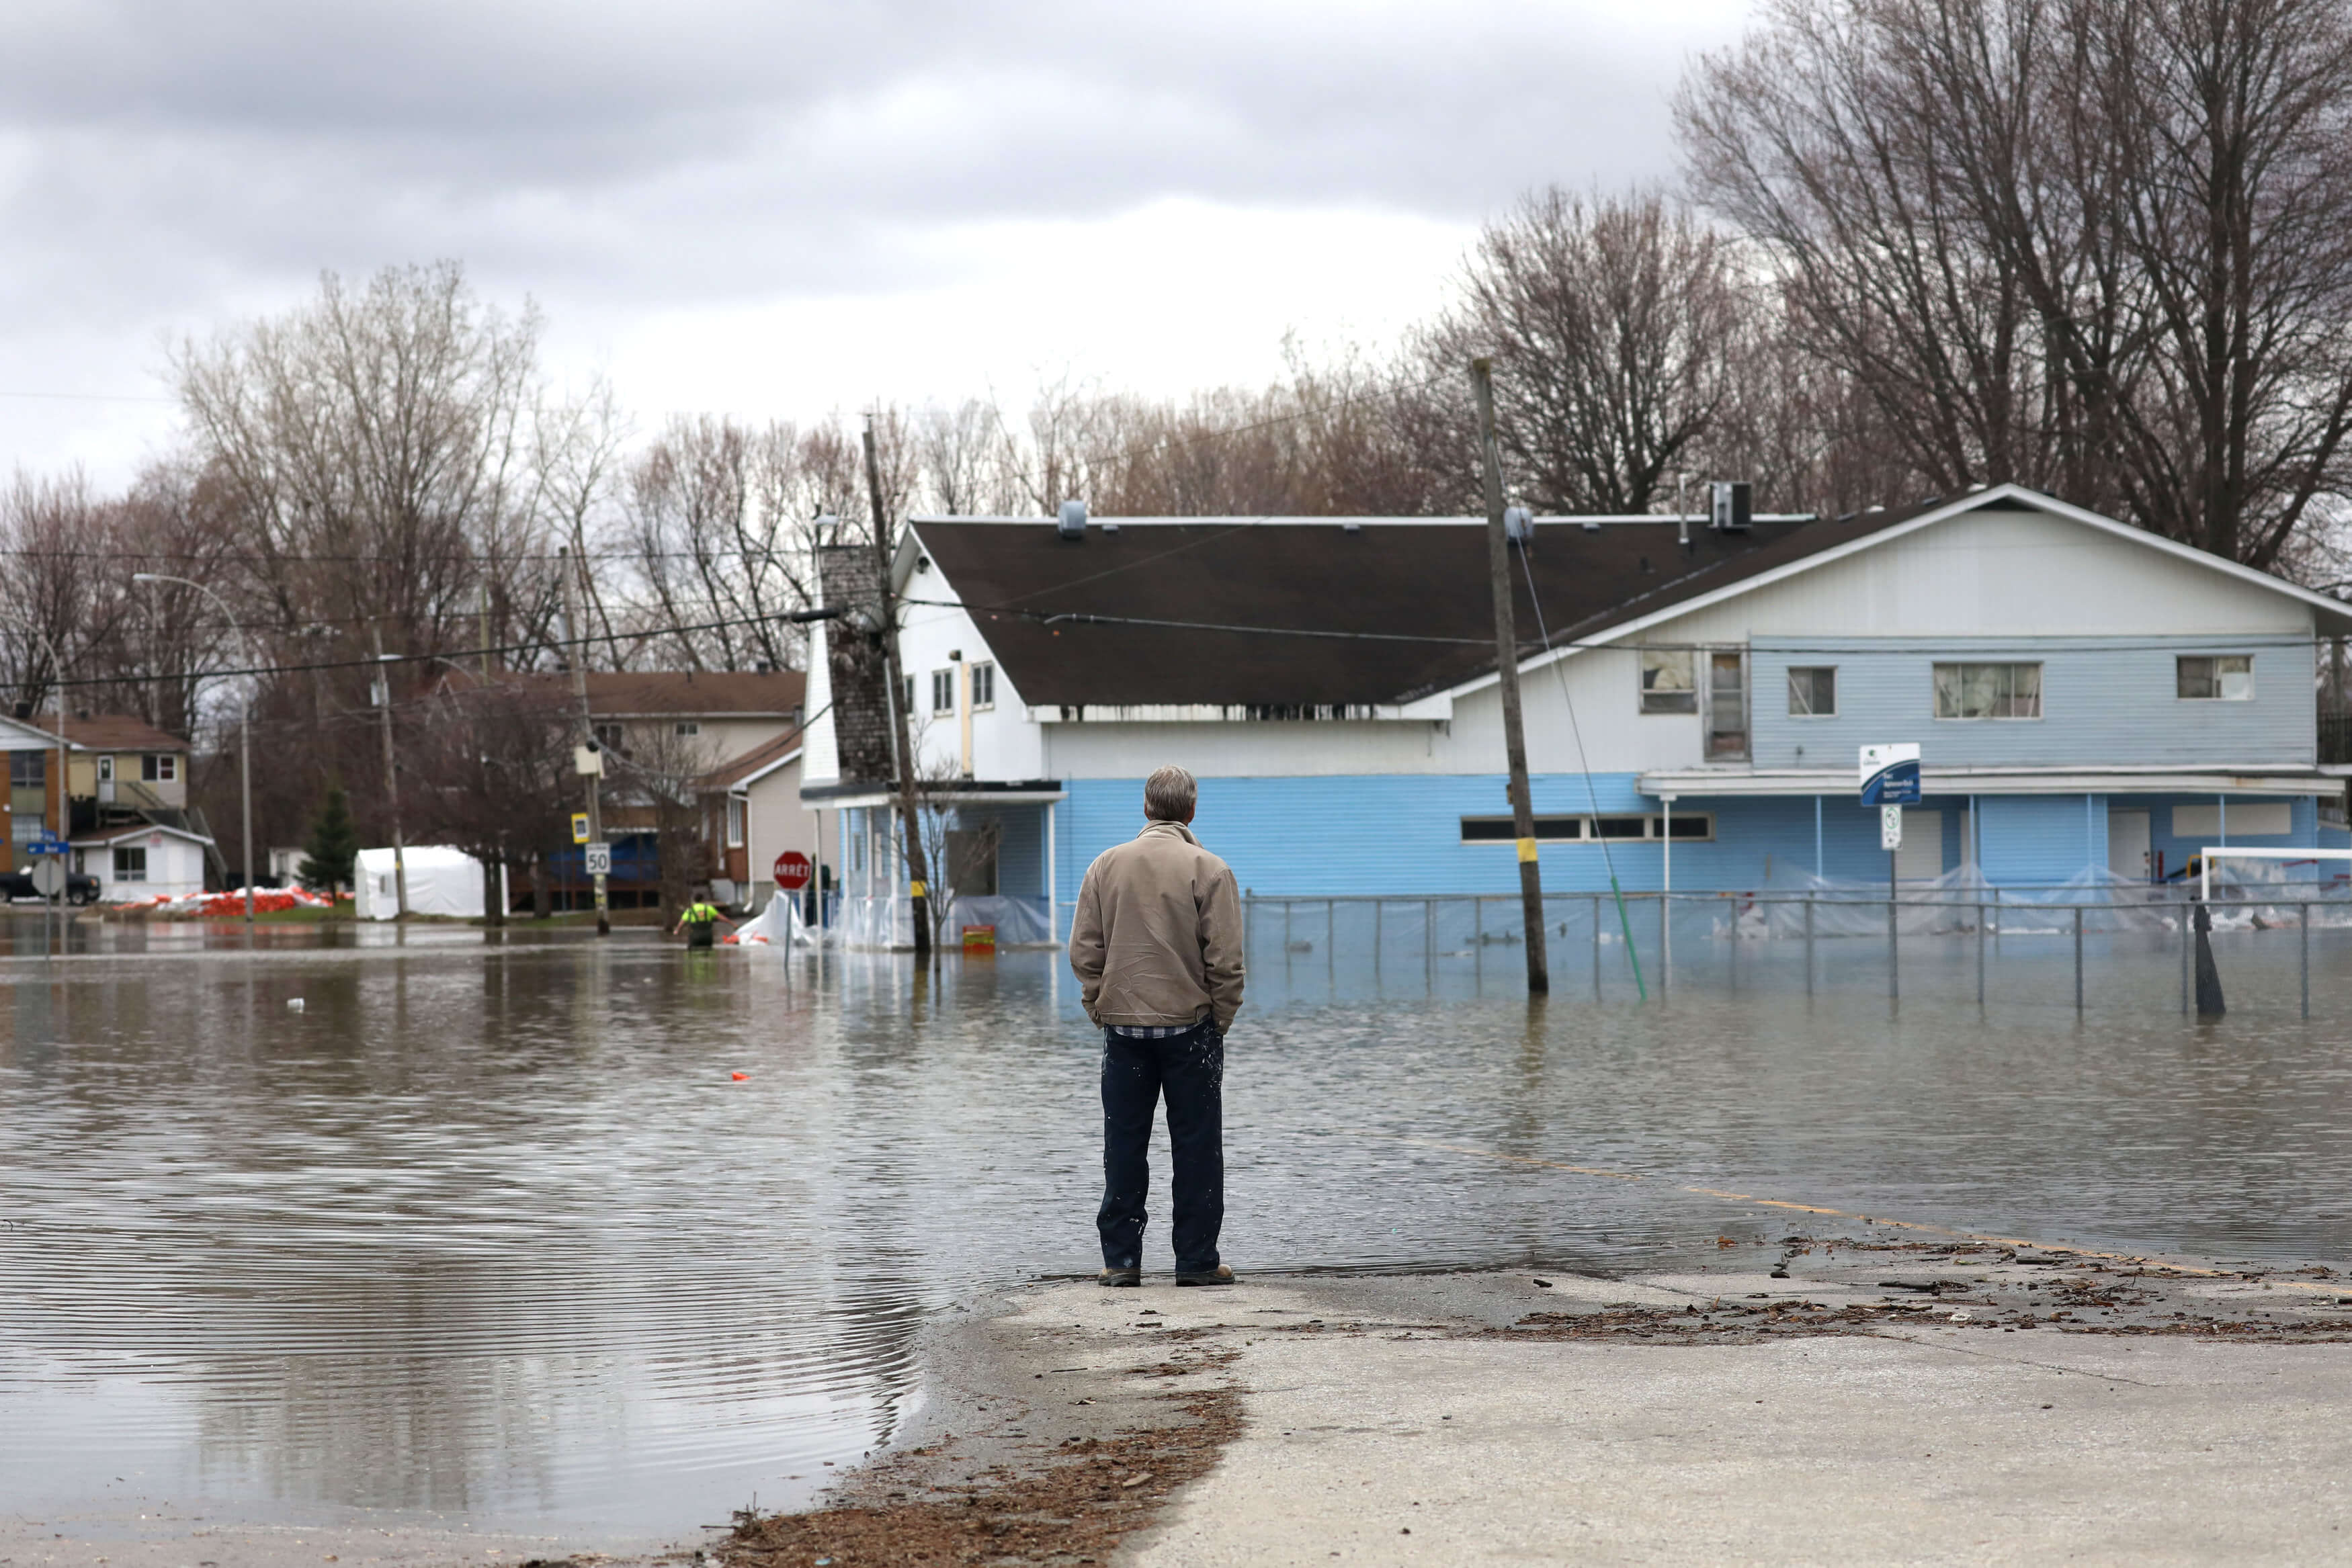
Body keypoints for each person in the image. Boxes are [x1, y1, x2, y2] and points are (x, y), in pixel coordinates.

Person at [1067, 764, 1245, 1288]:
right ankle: (1196, 1262)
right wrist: (1222, 1019)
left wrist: (1098, 1005)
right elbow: (1226, 961)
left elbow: (1084, 951)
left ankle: (1121, 1262)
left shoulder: (1105, 866)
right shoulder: (1209, 869)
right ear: (1191, 811)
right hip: (1191, 1031)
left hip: (1123, 1031)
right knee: (1197, 1148)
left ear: (1145, 808)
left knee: (1123, 1146)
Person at [673, 886, 737, 949]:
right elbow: (722, 918)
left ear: (694, 900)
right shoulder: (709, 909)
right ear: (703, 900)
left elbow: (682, 922)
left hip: (695, 937)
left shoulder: (690, 910)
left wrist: (677, 930)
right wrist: (733, 924)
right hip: (708, 937)